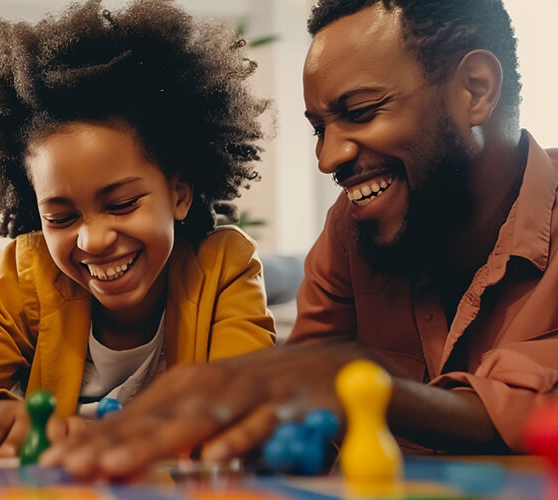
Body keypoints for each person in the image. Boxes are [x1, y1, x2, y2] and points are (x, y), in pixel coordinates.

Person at [41, 0, 558, 478]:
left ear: (476, 88)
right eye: (319, 128)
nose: (328, 159)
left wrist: (358, 382)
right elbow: (301, 396)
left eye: (359, 112)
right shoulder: (351, 228)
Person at [0, 0, 276, 457]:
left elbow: (245, 398)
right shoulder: (28, 272)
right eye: (60, 218)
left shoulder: (225, 267)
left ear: (179, 193)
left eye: (121, 204)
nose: (93, 239)